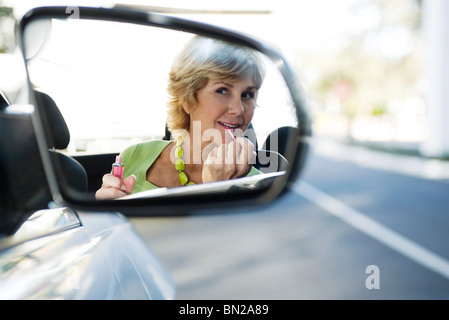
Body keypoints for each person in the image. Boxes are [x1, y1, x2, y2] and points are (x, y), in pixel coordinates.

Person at [95, 35, 265, 200]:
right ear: (188, 99)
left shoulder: (260, 187)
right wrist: (105, 210)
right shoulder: (134, 156)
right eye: (222, 90)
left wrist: (221, 190)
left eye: (247, 94)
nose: (239, 109)